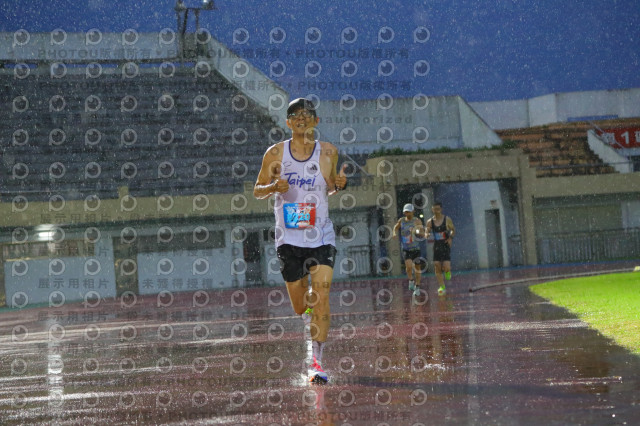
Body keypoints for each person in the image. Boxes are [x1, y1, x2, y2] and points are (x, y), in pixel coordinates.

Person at [253, 97, 347, 384]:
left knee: (321, 297)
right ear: (288, 122)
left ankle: (317, 362)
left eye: (307, 114)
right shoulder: (275, 153)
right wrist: (273, 187)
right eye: (295, 114)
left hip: (321, 236)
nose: (301, 118)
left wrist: (339, 185)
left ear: (316, 121)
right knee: (299, 305)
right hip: (289, 239)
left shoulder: (328, 152)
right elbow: (257, 190)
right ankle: (306, 317)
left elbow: (330, 188)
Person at [392, 203, 426, 297]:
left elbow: (422, 233)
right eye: (406, 212)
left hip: (415, 248)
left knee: (417, 268)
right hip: (406, 248)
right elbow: (396, 227)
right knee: (409, 266)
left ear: (413, 211)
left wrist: (416, 231)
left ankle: (417, 286)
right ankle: (411, 280)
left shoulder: (417, 221)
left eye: (409, 212)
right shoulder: (402, 220)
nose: (407, 214)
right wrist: (394, 233)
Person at [425, 201, 455, 295]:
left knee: (446, 267)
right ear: (432, 210)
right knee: (437, 266)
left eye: (438, 209)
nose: (436, 211)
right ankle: (442, 287)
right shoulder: (430, 221)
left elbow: (453, 230)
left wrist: (450, 237)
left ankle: (447, 271)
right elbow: (427, 230)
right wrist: (426, 233)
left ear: (441, 209)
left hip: (445, 245)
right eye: (435, 209)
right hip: (437, 246)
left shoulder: (447, 219)